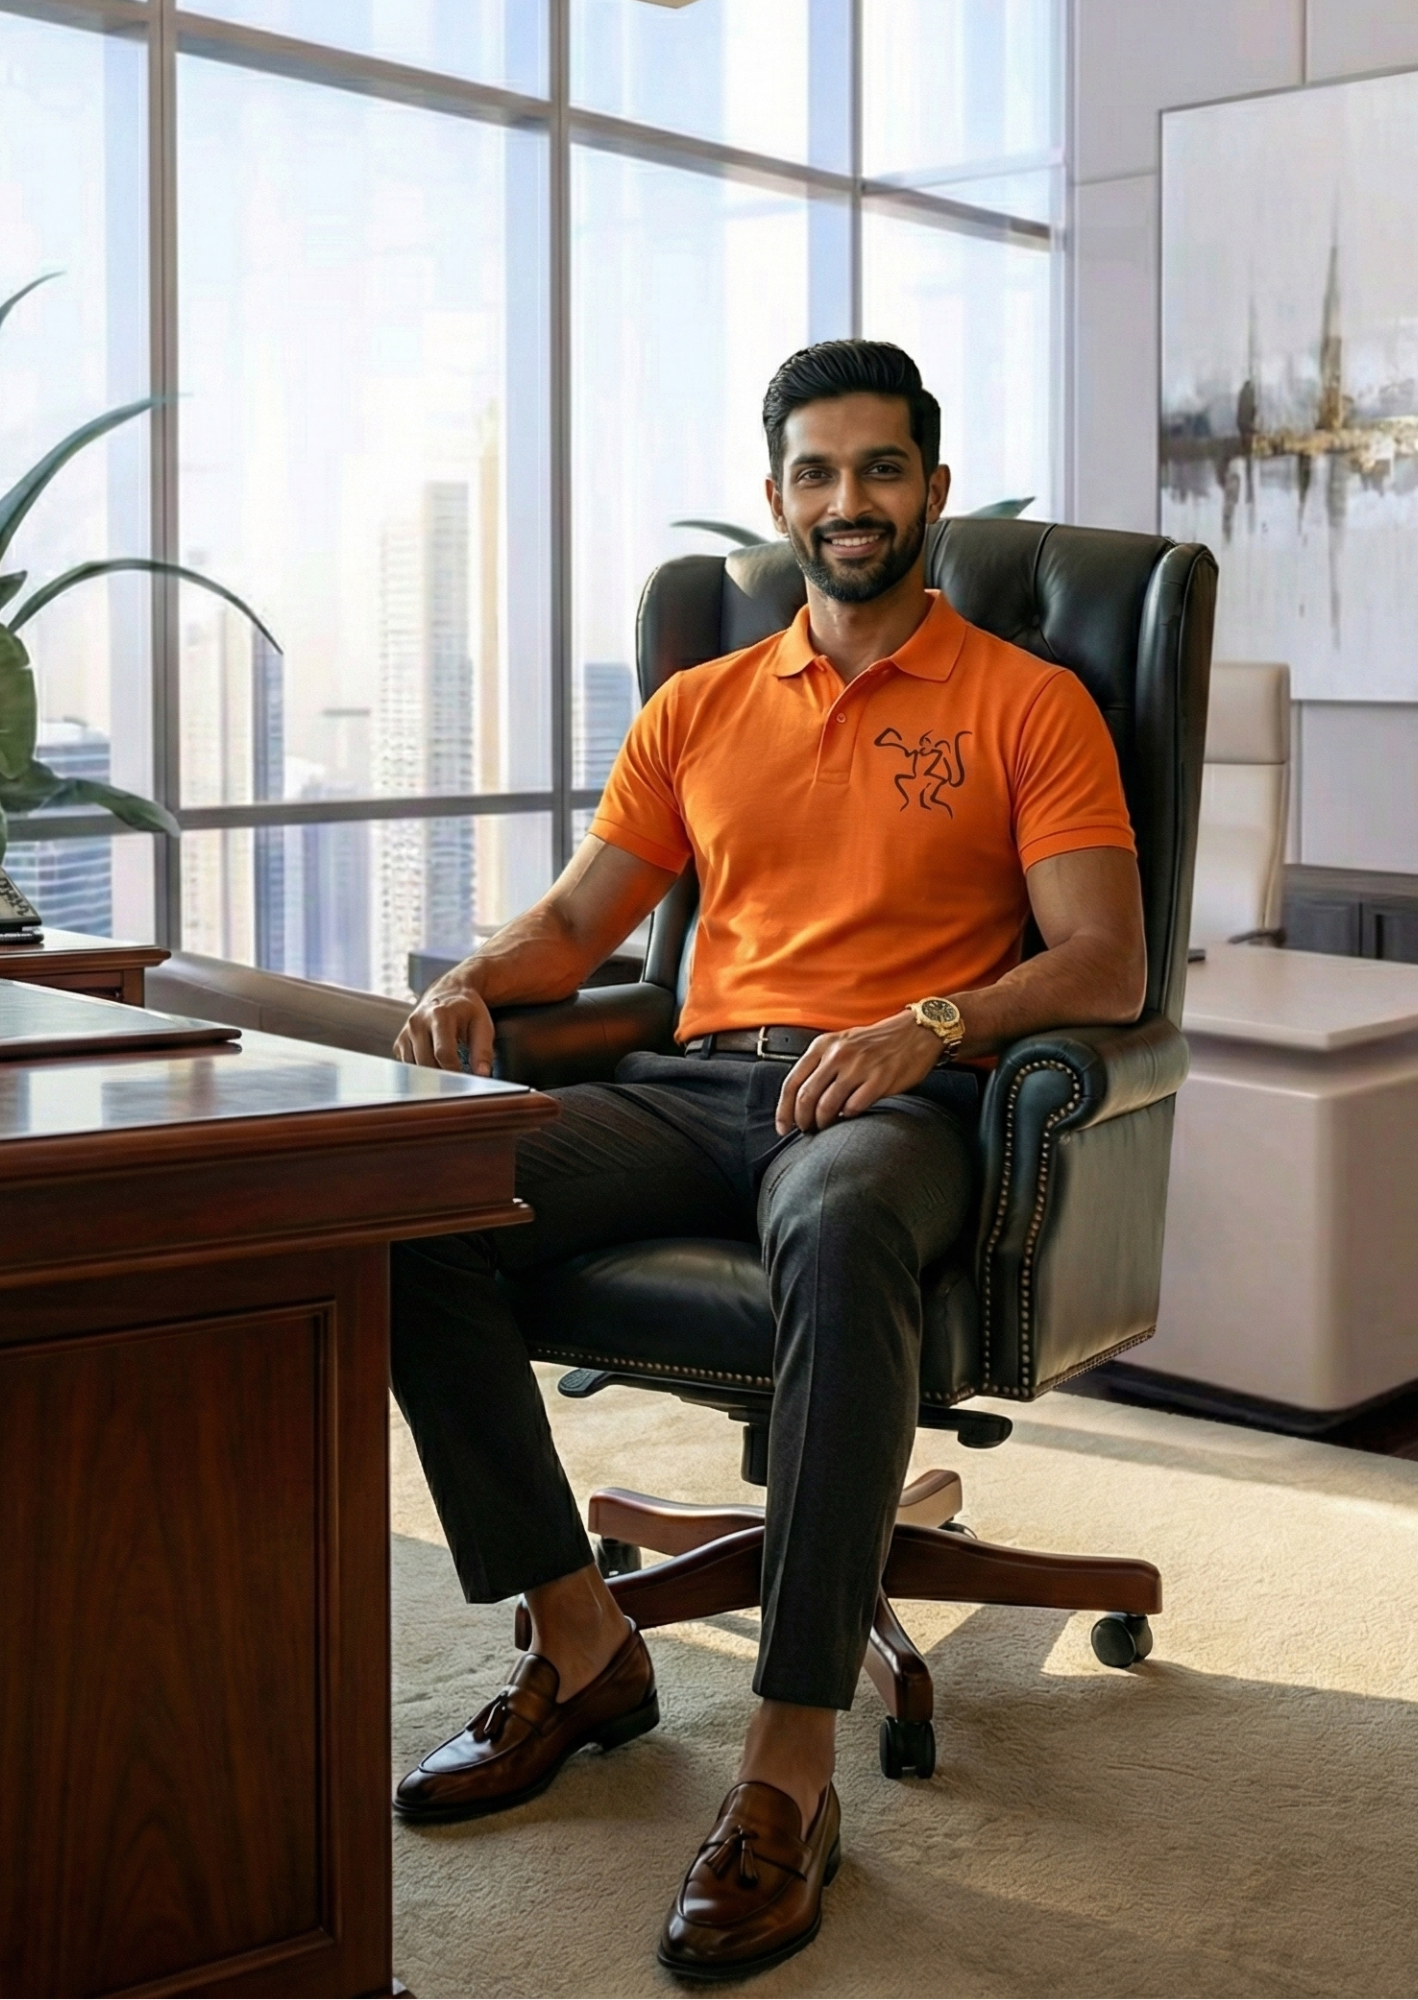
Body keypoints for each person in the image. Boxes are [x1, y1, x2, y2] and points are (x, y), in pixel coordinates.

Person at [389, 338, 1145, 1981]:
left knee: (849, 1221)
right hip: (699, 1086)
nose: (848, 500)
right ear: (779, 498)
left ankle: (787, 1766)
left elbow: (1105, 962)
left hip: (892, 1105)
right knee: (411, 1209)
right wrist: (467, 977)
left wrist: (931, 1024)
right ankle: (583, 1646)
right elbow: (586, 923)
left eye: (881, 468)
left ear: (932, 490)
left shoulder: (1032, 703)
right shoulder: (699, 707)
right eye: (818, 471)